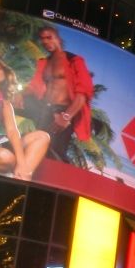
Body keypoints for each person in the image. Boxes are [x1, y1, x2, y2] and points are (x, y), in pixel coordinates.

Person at [22, 23, 94, 165]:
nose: (46, 42)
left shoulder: (74, 60)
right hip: (44, 110)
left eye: (49, 37)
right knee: (37, 151)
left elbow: (83, 93)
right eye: (43, 39)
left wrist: (67, 116)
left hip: (62, 112)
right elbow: (34, 87)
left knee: (56, 153)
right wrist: (20, 94)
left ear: (58, 39)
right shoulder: (44, 63)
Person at [0, 59, 50, 179]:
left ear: (4, 73)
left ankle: (20, 178)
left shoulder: (4, 102)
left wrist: (22, 164)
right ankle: (17, 177)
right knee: (5, 158)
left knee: (42, 137)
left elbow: (12, 131)